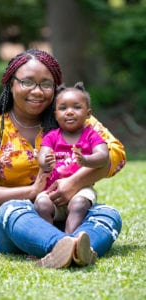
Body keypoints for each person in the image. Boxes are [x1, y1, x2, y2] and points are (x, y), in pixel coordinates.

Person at [0, 48, 126, 269]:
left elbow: (115, 153)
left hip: (72, 216)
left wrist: (73, 183)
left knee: (108, 214)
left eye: (46, 84)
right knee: (10, 210)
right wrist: (31, 192)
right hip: (20, 227)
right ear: (11, 84)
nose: (37, 91)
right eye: (27, 82)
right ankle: (65, 246)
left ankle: (73, 246)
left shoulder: (70, 119)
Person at [34, 82, 110, 234]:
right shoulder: (51, 137)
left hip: (81, 190)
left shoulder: (91, 135)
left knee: (79, 205)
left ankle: (70, 240)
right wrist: (45, 161)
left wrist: (87, 160)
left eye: (76, 107)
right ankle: (45, 240)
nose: (69, 112)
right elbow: (43, 154)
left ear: (88, 113)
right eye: (63, 108)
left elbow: (104, 156)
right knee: (41, 204)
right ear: (55, 114)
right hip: (53, 190)